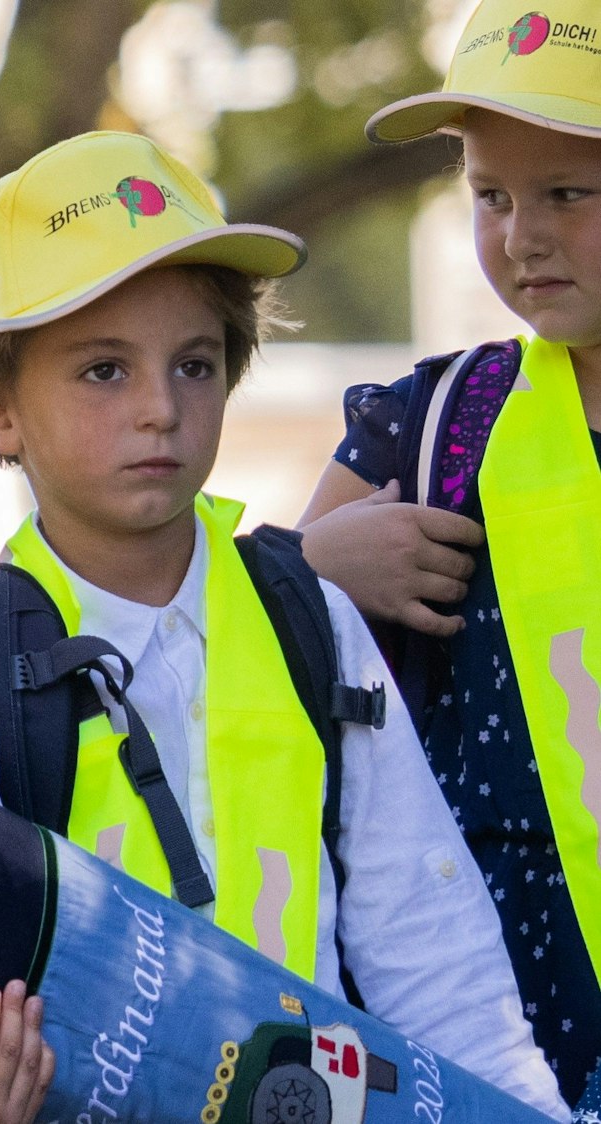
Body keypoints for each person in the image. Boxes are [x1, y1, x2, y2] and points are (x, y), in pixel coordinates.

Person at [0, 129, 567, 1118]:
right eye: (104, 371)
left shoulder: (313, 622)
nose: (161, 407)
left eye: (195, 365)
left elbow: (431, 941)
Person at [296, 0, 601, 1107]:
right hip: (485, 1001)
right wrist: (324, 564)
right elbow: (238, 615)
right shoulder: (433, 425)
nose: (522, 235)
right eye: (491, 196)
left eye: (570, 192)